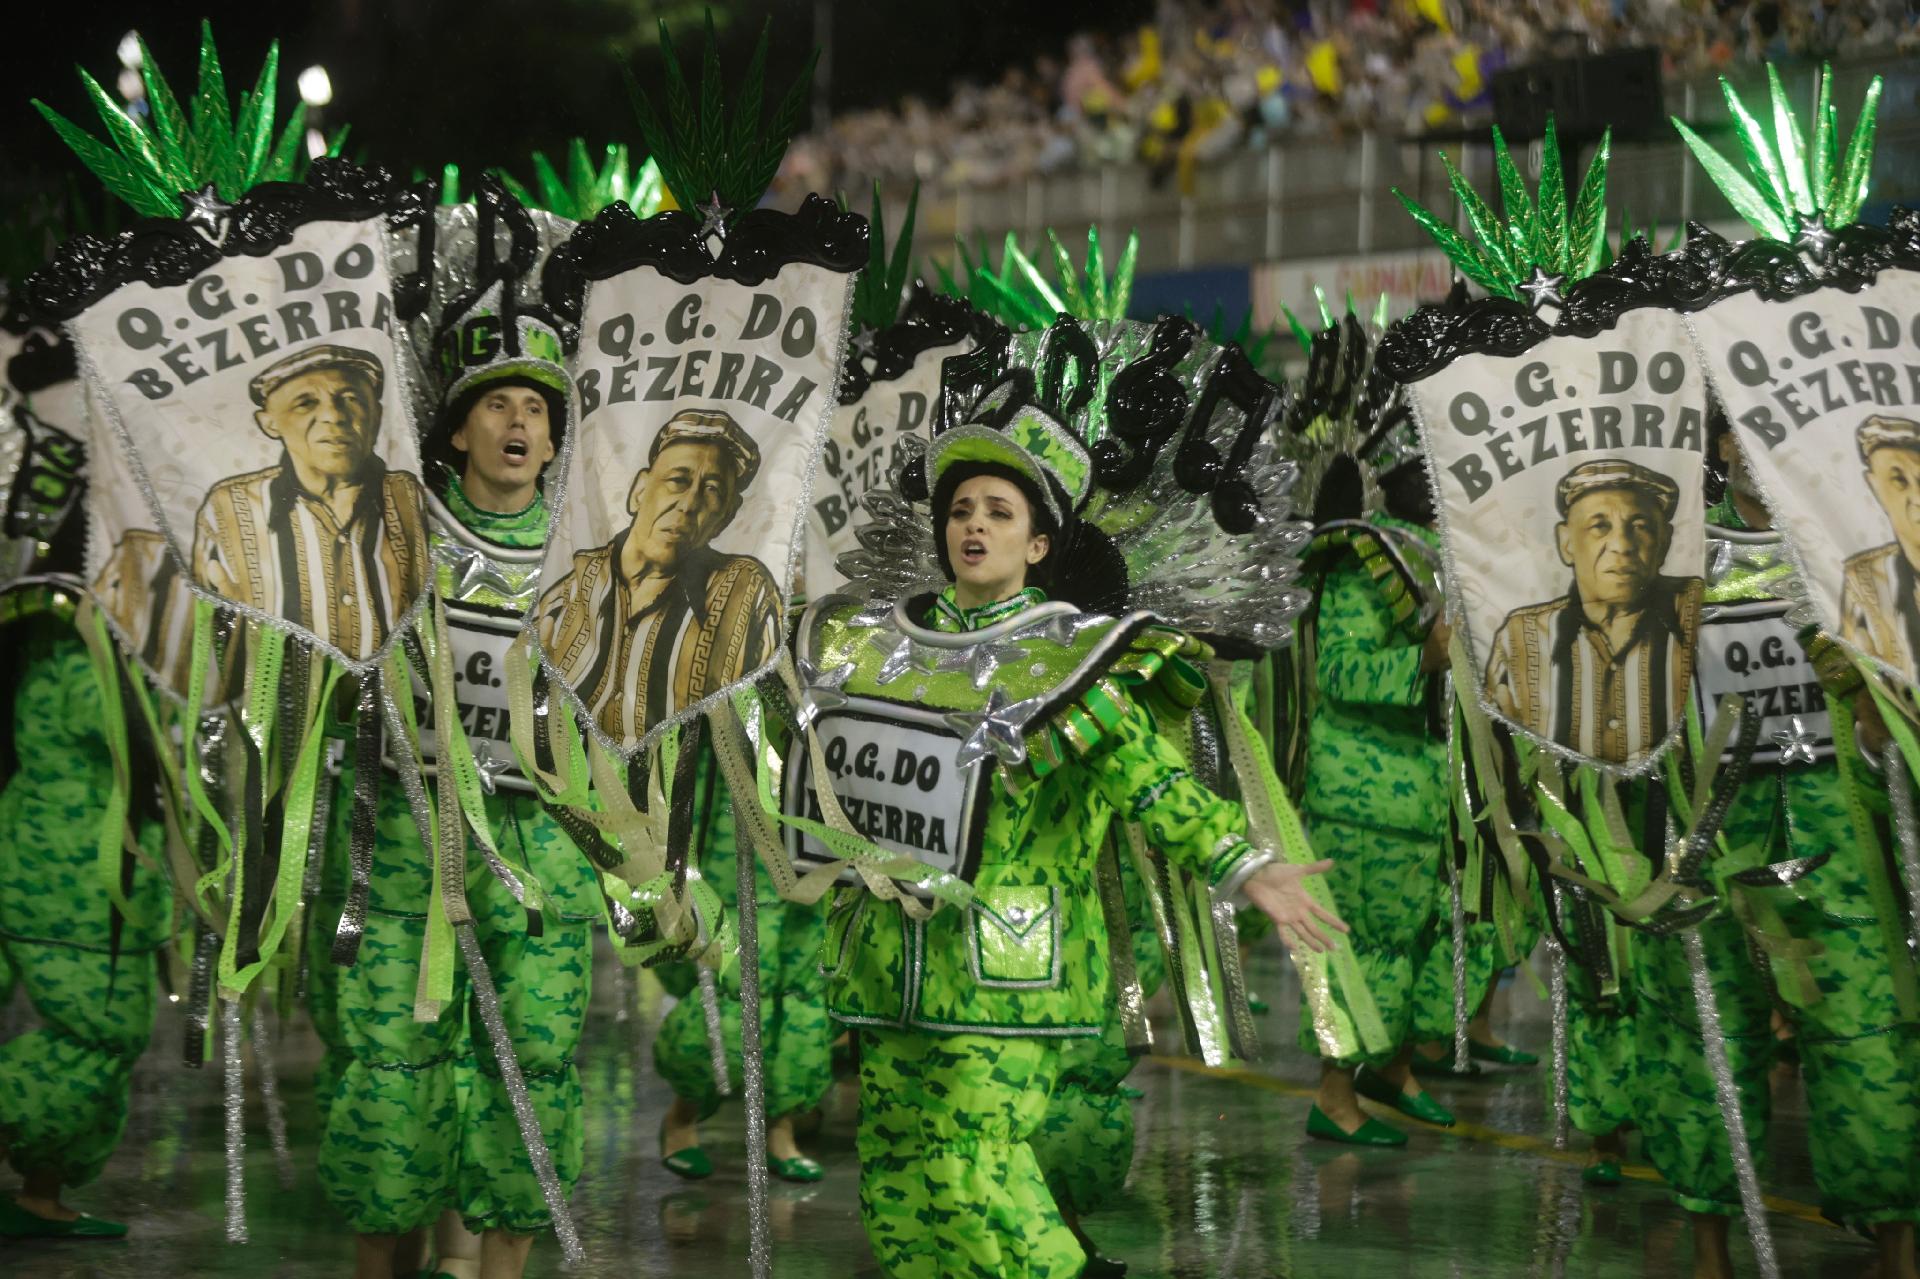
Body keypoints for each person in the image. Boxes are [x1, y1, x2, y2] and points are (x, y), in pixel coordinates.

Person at [791, 383, 1347, 1278]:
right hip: (888, 963)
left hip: (1004, 970)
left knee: (976, 1175)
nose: (973, 525)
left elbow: (1149, 777)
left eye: (1000, 512)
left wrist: (1242, 864)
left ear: (1038, 543)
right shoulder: (875, 646)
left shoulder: (1074, 659)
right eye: (961, 509)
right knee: (897, 1181)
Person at [310, 295, 599, 1279]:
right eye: (498, 403)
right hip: (405, 842)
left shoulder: (594, 552)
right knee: (394, 1068)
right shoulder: (396, 533)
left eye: (538, 407)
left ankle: (503, 1267)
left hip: (543, 849)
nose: (521, 424)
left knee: (535, 1065)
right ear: (458, 426)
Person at [1630, 425, 1920, 1279]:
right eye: (1738, 434)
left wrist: (1869, 710)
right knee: (1701, 1046)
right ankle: (1710, 1245)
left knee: (1872, 1044)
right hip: (1707, 840)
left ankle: (1898, 1240)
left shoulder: (1854, 556)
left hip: (1841, 841)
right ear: (1717, 440)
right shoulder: (1671, 558)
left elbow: (1892, 732)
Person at [534, 406, 781, 744]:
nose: (689, 503)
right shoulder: (570, 590)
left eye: (712, 490)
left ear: (726, 517)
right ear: (639, 491)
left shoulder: (746, 593)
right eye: (678, 480)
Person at [191, 342, 428, 660]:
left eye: (351, 399)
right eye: (305, 403)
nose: (333, 416)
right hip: (278, 705)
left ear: (377, 414)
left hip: (401, 703)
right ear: (269, 423)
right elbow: (204, 639)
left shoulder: (409, 497)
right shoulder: (229, 507)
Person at [1485, 458, 1702, 763]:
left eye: (1640, 526)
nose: (1622, 545)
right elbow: (1496, 755)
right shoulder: (1521, 637)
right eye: (1600, 526)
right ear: (1566, 542)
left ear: (1664, 541)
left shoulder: (1699, 612)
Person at [1841, 413, 1920, 681]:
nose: (1917, 497)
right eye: (1899, 480)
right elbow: (1859, 683)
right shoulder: (1864, 580)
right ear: (1874, 486)